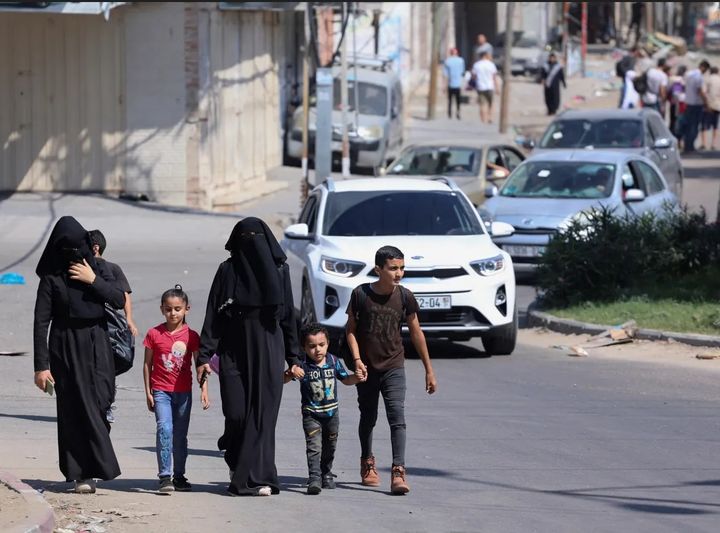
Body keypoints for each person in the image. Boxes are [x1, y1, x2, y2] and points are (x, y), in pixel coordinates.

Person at [196, 217, 301, 496]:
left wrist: (294, 357)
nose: (250, 242)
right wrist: (204, 356)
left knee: (263, 417)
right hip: (232, 349)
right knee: (237, 413)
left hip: (269, 347)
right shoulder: (227, 270)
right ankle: (235, 457)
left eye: (255, 236)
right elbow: (212, 315)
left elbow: (289, 316)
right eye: (245, 237)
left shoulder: (280, 271)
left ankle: (258, 477)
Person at [33, 216, 125, 494]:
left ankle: (95, 464)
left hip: (97, 341)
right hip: (64, 345)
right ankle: (81, 474)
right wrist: (41, 366)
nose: (73, 256)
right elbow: (41, 321)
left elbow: (118, 299)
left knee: (100, 402)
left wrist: (93, 280)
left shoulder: (98, 268)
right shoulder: (51, 277)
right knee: (73, 409)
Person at [345, 245, 437, 495]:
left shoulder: (405, 296)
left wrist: (429, 369)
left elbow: (416, 333)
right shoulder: (360, 294)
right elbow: (350, 330)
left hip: (394, 366)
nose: (399, 273)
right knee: (369, 417)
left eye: (402, 268)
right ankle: (367, 462)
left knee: (397, 418)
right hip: (367, 368)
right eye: (393, 268)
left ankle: (398, 470)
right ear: (379, 269)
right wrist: (356, 360)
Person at [143, 284, 209, 493]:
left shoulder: (192, 336)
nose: (173, 313)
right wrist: (148, 392)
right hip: (161, 391)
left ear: (186, 309)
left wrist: (204, 390)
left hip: (183, 393)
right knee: (165, 429)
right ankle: (165, 476)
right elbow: (147, 365)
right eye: (169, 309)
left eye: (177, 309)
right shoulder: (154, 334)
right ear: (162, 309)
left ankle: (179, 475)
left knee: (180, 435)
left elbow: (201, 366)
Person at [283, 323, 362, 495]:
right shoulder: (302, 365)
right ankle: (314, 478)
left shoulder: (333, 361)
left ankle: (326, 473)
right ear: (304, 347)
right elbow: (283, 379)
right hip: (311, 414)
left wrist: (356, 377)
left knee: (330, 446)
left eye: (321, 345)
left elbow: (345, 379)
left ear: (327, 344)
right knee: (314, 447)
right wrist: (291, 373)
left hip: (332, 414)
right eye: (311, 346)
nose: (317, 350)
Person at [88, 229, 137, 423]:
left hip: (110, 325)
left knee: (108, 365)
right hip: (89, 324)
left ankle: (106, 404)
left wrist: (129, 319)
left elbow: (125, 295)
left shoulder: (112, 268)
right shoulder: (82, 266)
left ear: (95, 247)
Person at [683, 60, 710, 154]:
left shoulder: (689, 74)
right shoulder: (699, 77)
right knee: (694, 126)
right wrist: (706, 102)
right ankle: (690, 147)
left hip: (688, 102)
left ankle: (687, 145)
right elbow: (700, 91)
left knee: (688, 125)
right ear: (704, 67)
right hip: (696, 104)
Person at [471, 51, 499, 124]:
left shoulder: (476, 65)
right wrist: (497, 88)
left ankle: (483, 120)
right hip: (490, 86)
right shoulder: (491, 65)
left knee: (482, 104)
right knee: (491, 103)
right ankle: (490, 118)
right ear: (486, 56)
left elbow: (473, 76)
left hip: (480, 87)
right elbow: (494, 77)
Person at [700, 66, 720, 150]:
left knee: (704, 125)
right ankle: (714, 144)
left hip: (708, 105)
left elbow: (703, 92)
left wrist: (705, 103)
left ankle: (704, 144)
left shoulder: (707, 79)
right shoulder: (719, 80)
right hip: (717, 105)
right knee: (715, 126)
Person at [443, 47, 466, 119]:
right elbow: (462, 72)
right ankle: (458, 112)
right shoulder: (461, 60)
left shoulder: (447, 61)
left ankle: (449, 113)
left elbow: (445, 75)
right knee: (458, 100)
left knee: (450, 100)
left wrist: (444, 85)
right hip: (458, 83)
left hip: (451, 83)